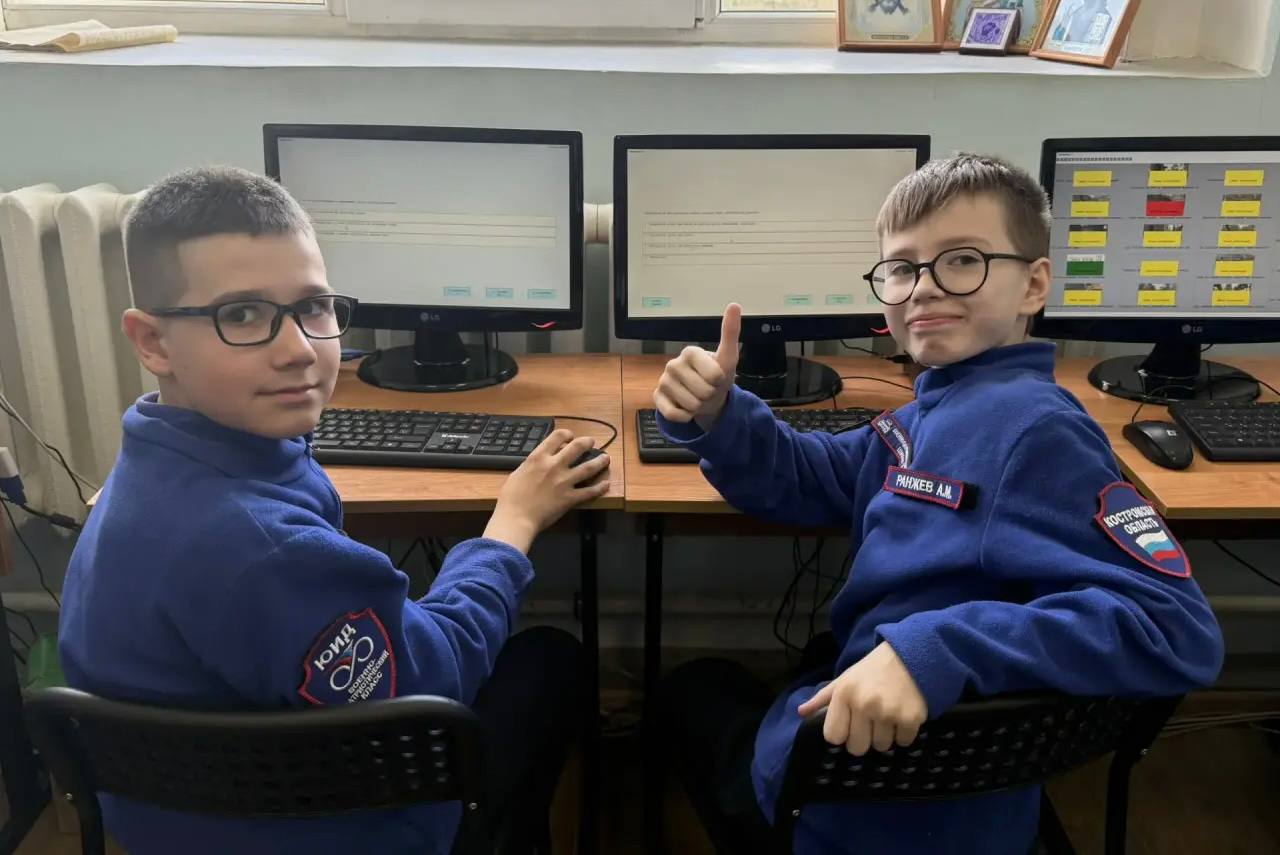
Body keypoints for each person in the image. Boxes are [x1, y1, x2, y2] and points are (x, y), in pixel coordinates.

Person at [653, 154, 1223, 854]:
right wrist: (721, 414)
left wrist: (937, 649)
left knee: (691, 689)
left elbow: (1175, 627)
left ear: (1034, 283)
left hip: (871, 801)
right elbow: (815, 475)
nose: (923, 287)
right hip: (922, 780)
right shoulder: (935, 410)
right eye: (901, 267)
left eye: (961, 261)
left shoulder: (1036, 431)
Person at [59, 166, 610, 855]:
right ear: (152, 341)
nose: (298, 351)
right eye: (242, 315)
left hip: (176, 823)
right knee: (551, 660)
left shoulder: (146, 466)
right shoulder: (266, 551)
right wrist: (513, 522)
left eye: (313, 307)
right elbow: (437, 682)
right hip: (336, 827)